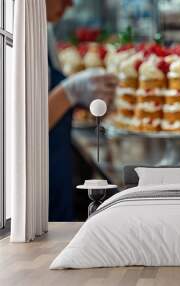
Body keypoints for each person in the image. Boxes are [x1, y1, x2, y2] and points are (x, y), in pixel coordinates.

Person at [46, 0, 118, 221]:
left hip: (57, 165)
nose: (70, 4)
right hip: (38, 174)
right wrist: (71, 91)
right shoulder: (13, 41)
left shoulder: (45, 31)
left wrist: (84, 98)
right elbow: (22, 127)